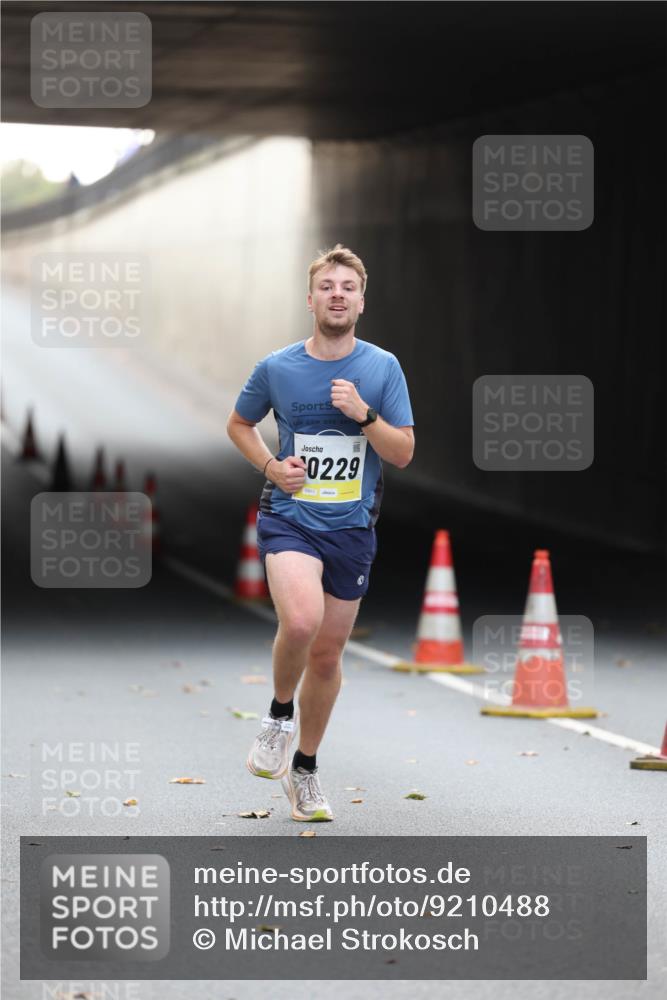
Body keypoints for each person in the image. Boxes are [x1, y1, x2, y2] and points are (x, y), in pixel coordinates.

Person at [226, 245, 414, 822]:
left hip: (352, 527)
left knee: (328, 656)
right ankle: (279, 717)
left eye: (348, 287)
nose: (337, 294)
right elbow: (239, 424)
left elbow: (402, 453)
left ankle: (304, 771)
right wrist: (271, 467)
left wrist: (363, 415)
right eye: (327, 286)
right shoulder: (278, 367)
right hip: (290, 517)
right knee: (301, 622)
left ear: (361, 301)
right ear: (310, 299)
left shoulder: (382, 369)